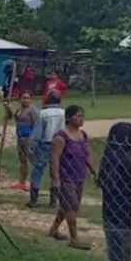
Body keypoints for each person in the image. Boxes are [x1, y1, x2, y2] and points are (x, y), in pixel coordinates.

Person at [92, 122, 131, 261]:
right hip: (128, 217)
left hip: (110, 216)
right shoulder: (130, 162)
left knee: (115, 259)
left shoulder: (108, 158)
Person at [48, 104, 97, 249]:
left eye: (83, 116)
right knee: (72, 206)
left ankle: (53, 229)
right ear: (69, 118)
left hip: (79, 176)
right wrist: (56, 178)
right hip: (65, 177)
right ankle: (74, 238)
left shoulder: (83, 136)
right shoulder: (61, 137)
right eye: (78, 116)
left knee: (66, 205)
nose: (82, 119)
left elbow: (87, 156)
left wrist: (95, 172)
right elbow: (55, 158)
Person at [28, 90, 66, 209]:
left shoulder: (43, 113)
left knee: (37, 170)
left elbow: (38, 133)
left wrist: (32, 146)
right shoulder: (64, 113)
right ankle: (54, 201)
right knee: (55, 171)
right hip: (60, 144)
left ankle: (34, 200)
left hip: (45, 144)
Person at [5, 92, 37, 190]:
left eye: (28, 98)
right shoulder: (20, 109)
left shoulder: (32, 110)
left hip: (29, 138)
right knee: (22, 160)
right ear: (20, 99)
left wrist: (33, 139)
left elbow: (37, 124)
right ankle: (22, 182)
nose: (26, 100)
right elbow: (13, 118)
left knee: (31, 160)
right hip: (20, 138)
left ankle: (34, 182)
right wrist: (8, 108)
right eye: (24, 98)